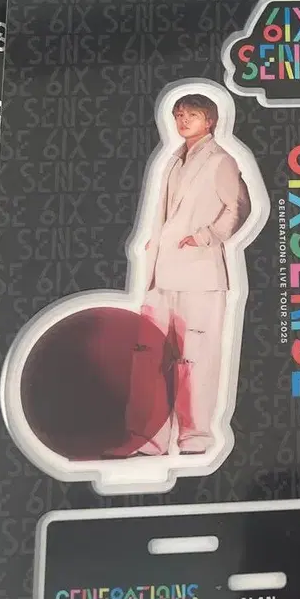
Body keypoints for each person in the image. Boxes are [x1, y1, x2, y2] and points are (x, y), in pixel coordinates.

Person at [109, 92, 252, 458]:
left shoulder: (220, 160)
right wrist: (153, 245)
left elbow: (239, 206)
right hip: (161, 274)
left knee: (196, 359)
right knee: (148, 355)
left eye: (192, 114)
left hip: (201, 274)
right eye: (179, 115)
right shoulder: (173, 161)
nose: (183, 120)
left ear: (210, 120)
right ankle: (148, 438)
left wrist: (206, 236)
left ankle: (195, 438)